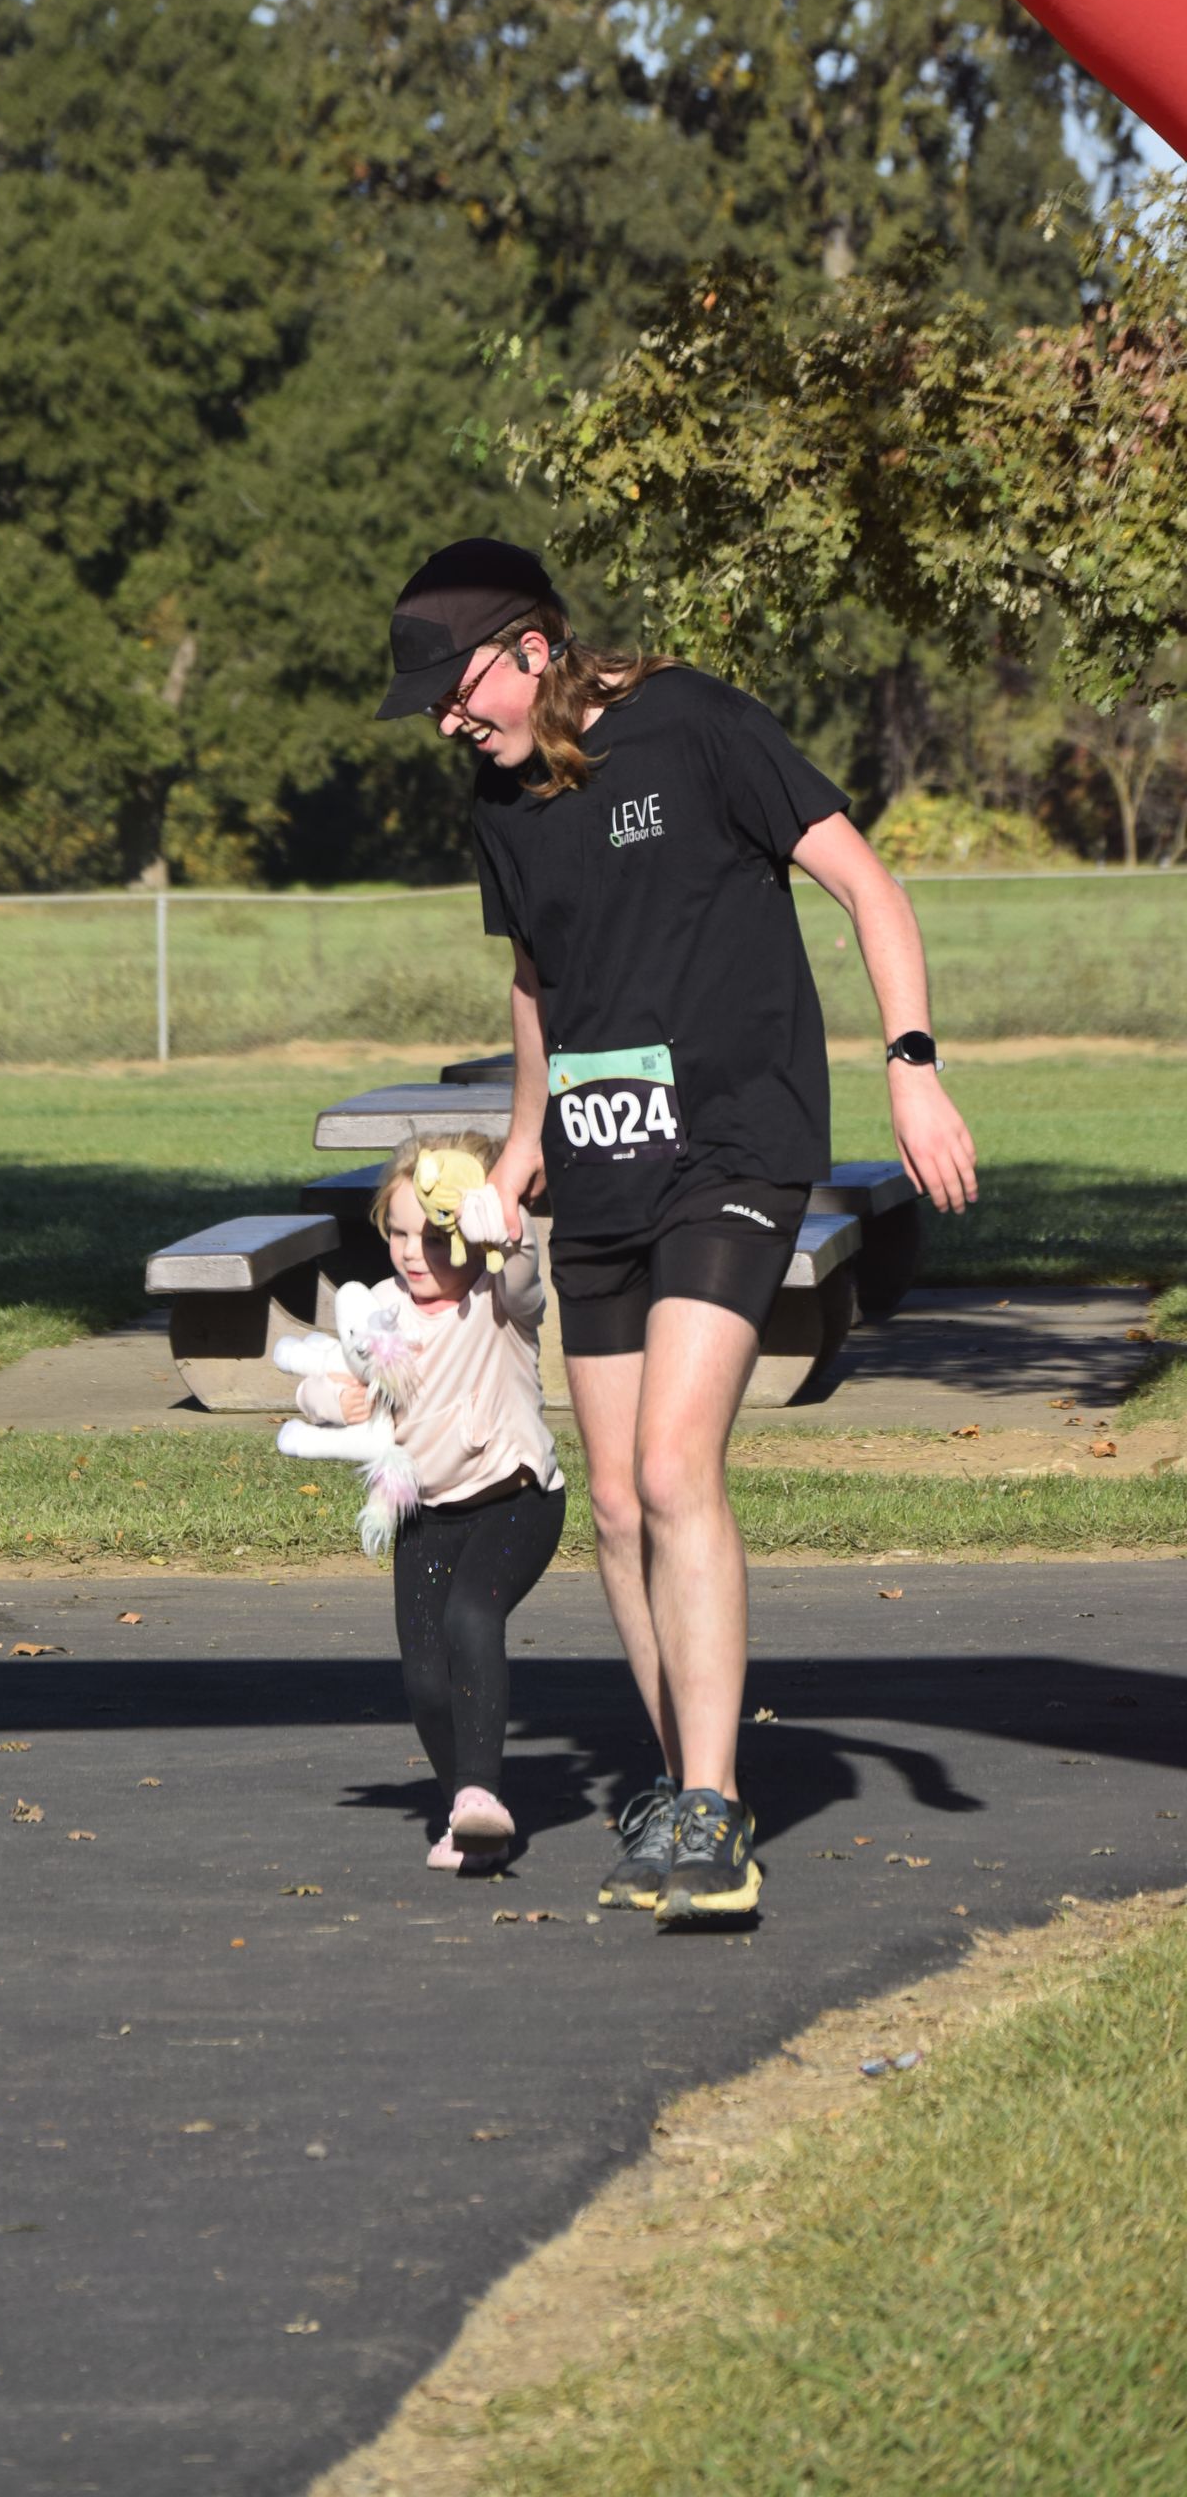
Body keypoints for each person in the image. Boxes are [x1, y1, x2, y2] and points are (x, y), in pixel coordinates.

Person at [375, 537, 977, 1924]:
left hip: (734, 1142)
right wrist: (524, 1140)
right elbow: (538, 979)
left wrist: (913, 1061)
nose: (449, 721)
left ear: (532, 647)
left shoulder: (695, 723)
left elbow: (867, 885)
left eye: (459, 688)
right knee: (618, 1503)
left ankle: (709, 1811)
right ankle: (676, 1782)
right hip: (596, 1166)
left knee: (673, 1460)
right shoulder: (498, 802)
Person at [289, 1127, 565, 1873]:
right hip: (426, 1514)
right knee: (422, 1674)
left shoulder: (496, 1300)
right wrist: (328, 1399)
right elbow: (322, 1369)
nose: (415, 1255)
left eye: (435, 1238)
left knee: (472, 1617)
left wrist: (504, 1223)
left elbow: (524, 1274)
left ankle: (479, 1790)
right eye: (399, 1234)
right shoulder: (383, 1310)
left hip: (516, 1498)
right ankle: (469, 1816)